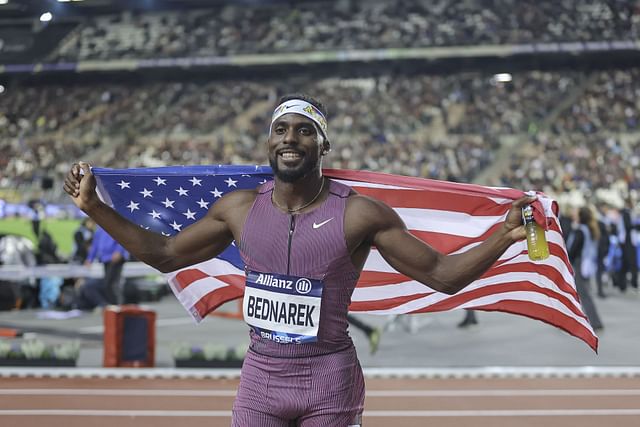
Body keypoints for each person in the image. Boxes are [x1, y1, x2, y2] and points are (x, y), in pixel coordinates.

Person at [64, 94, 535, 427]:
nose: (291, 138)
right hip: (261, 379)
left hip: (329, 379)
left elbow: (443, 275)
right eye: (281, 129)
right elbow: (165, 255)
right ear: (269, 143)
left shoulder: (358, 214)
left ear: (322, 145)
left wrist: (505, 235)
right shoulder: (239, 209)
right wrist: (94, 208)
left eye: (305, 130)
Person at [567, 206, 604, 331]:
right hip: (587, 264)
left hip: (579, 264)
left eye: (575, 212)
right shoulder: (590, 228)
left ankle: (594, 321)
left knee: (582, 294)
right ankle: (592, 320)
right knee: (583, 294)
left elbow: (573, 250)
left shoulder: (580, 230)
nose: (573, 214)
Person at [83, 225, 129, 306]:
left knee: (111, 285)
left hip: (115, 258)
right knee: (108, 285)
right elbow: (95, 244)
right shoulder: (100, 227)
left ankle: (118, 307)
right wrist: (90, 258)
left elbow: (123, 236)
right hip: (106, 258)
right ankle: (114, 308)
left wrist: (119, 251)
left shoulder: (114, 222)